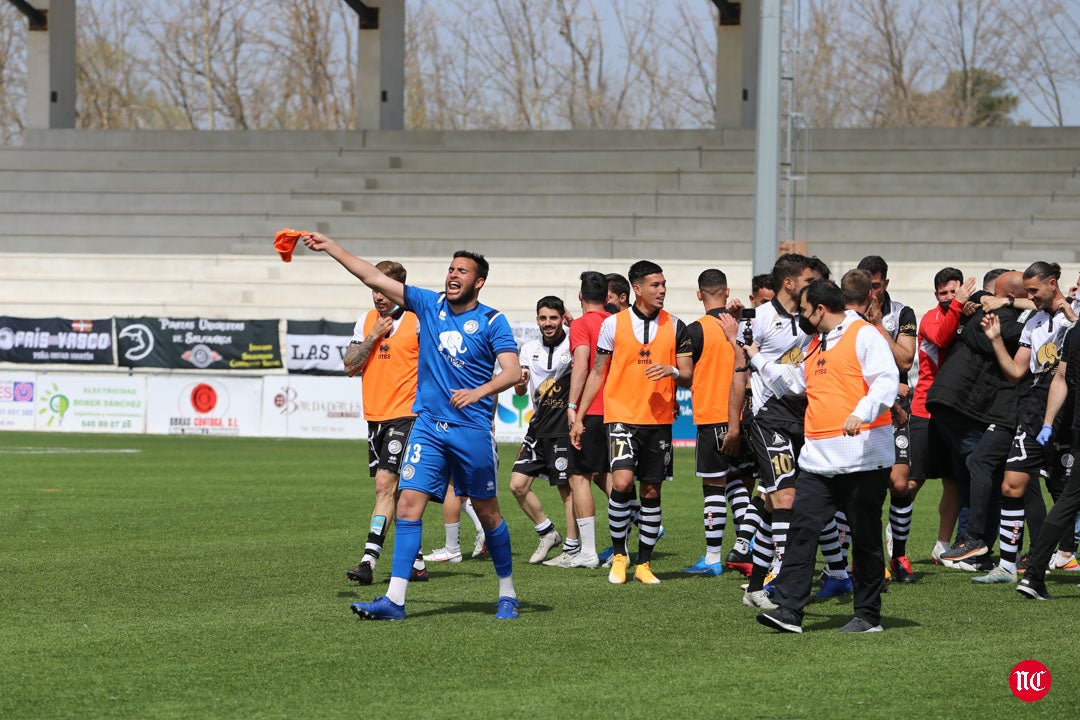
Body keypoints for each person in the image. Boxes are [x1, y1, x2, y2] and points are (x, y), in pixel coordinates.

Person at [303, 232, 524, 621]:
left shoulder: (492, 320)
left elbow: (511, 372)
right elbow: (372, 277)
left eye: (463, 271)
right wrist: (330, 247)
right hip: (427, 426)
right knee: (407, 505)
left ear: (479, 281)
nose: (453, 275)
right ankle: (395, 600)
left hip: (471, 430)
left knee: (489, 513)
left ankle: (507, 592)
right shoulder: (428, 303)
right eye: (451, 269)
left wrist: (479, 392)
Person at [748, 279, 899, 634]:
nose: (799, 316)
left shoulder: (864, 335)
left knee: (865, 538)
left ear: (819, 308)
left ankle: (867, 615)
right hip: (819, 461)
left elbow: (886, 380)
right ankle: (789, 610)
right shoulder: (815, 344)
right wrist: (756, 359)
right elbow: (793, 384)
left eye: (802, 310)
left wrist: (862, 412)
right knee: (802, 529)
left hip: (863, 458)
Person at [571, 260, 693, 585]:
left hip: (658, 420)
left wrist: (674, 372)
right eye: (655, 285)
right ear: (636, 289)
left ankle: (645, 564)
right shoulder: (613, 324)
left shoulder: (676, 325)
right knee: (622, 482)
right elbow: (598, 371)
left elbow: (689, 375)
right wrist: (579, 415)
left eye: (664, 284)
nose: (662, 290)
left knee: (651, 489)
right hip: (621, 416)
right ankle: (620, 556)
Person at [973, 261, 1077, 585]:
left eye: (1034, 290)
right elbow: (1017, 371)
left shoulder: (1073, 313)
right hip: (1033, 407)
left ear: (1052, 283)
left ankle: (1064, 553)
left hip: (1068, 408)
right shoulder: (1035, 321)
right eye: (1027, 291)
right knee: (1012, 484)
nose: (1031, 297)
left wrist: (1070, 316)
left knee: (1064, 490)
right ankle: (1007, 564)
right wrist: (995, 339)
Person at [930, 271, 1029, 571]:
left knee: (980, 472)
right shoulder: (992, 310)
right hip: (966, 404)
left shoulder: (992, 307)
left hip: (962, 403)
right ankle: (979, 544)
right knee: (984, 470)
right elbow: (1006, 336)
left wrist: (1007, 304)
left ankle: (979, 545)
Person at [740, 253, 823, 608]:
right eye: (807, 280)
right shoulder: (758, 319)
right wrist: (733, 420)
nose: (813, 285)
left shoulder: (811, 320)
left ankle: (755, 587)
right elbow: (739, 372)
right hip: (767, 418)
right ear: (789, 283)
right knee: (785, 497)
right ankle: (785, 583)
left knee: (779, 505)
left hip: (803, 417)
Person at [343, 260, 428, 586]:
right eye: (373, 288)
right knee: (400, 491)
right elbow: (350, 365)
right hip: (375, 417)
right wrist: (373, 337)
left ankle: (368, 561)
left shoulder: (416, 321)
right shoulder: (365, 322)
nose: (377, 295)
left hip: (407, 416)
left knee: (384, 486)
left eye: (383, 288)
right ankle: (416, 561)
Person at [681, 269, 753, 576]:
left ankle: (712, 557)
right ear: (726, 291)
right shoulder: (742, 326)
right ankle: (744, 546)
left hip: (712, 415)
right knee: (738, 483)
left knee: (713, 486)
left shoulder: (694, 330)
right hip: (743, 415)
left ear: (700, 294)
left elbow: (684, 376)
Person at [907, 267, 975, 563]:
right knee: (912, 480)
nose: (949, 297)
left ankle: (941, 545)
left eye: (954, 291)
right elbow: (944, 338)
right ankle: (894, 531)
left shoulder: (968, 314)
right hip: (925, 407)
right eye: (944, 293)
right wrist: (960, 304)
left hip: (956, 411)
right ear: (936, 295)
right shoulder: (931, 318)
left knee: (953, 481)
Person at [856, 255, 918, 583]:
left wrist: (878, 325)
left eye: (876, 286)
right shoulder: (849, 313)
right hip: (859, 411)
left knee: (898, 483)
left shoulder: (901, 313)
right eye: (866, 287)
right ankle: (870, 559)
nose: (872, 293)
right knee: (866, 489)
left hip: (896, 412)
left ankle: (901, 555)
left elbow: (906, 358)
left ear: (886, 284)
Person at [509, 296, 579, 566]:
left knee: (566, 489)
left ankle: (572, 548)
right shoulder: (528, 348)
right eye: (543, 318)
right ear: (537, 319)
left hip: (563, 426)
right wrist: (519, 382)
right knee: (517, 485)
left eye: (553, 318)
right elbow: (519, 389)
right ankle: (548, 532)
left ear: (562, 317)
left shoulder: (574, 342)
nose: (548, 324)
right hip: (538, 427)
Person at [1018, 321, 1080, 599]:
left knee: (1069, 501)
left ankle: (1033, 575)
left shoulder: (1075, 331)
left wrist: (1047, 422)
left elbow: (1060, 378)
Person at [565, 271, 614, 569]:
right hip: (617, 409)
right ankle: (638, 528)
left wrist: (573, 406)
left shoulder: (582, 325)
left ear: (580, 297)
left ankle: (588, 551)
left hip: (592, 409)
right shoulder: (616, 322)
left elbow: (582, 364)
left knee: (579, 477)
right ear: (608, 298)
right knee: (609, 475)